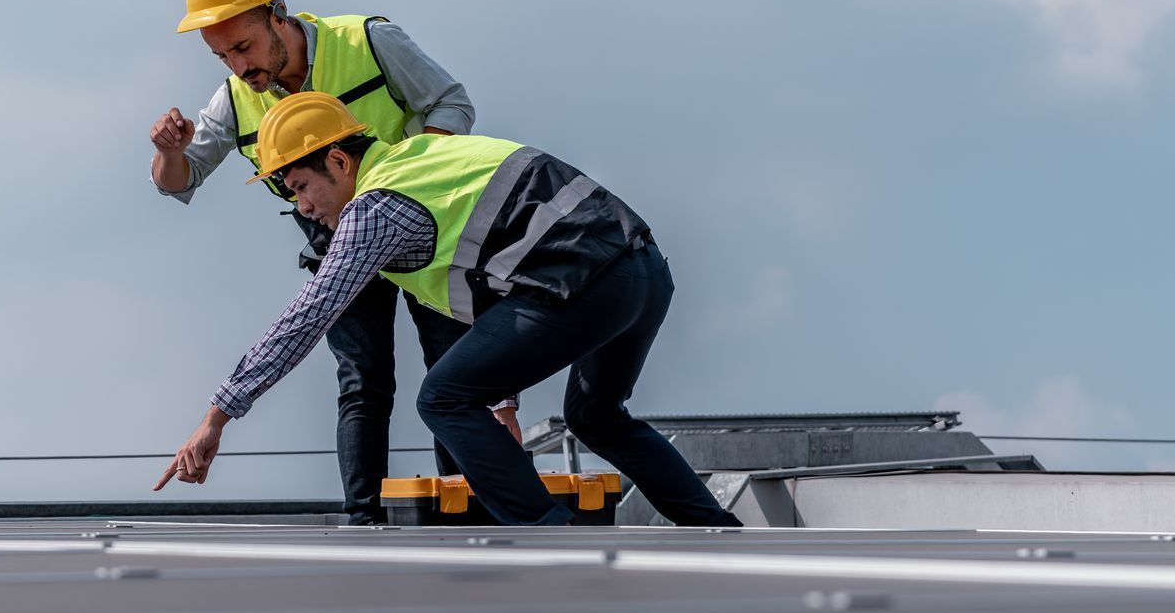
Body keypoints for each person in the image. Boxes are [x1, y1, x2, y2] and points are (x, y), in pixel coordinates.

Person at [154, 93, 741, 529]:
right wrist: (504, 402)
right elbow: (488, 298)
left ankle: (551, 538)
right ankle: (718, 530)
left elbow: (307, 317)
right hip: (641, 269)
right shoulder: (423, 157)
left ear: (339, 161)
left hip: (583, 283)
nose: (304, 207)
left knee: (440, 396)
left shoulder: (375, 209)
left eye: (301, 187)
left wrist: (217, 417)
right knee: (597, 416)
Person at [150, 0, 515, 522]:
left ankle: (475, 509)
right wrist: (168, 152)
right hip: (336, 237)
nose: (239, 68)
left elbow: (452, 102)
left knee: (453, 375)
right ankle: (364, 518)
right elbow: (180, 181)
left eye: (243, 47)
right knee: (362, 380)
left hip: (418, 231)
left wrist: (411, 184)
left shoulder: (368, 41)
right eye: (221, 56)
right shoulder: (233, 99)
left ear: (278, 14)